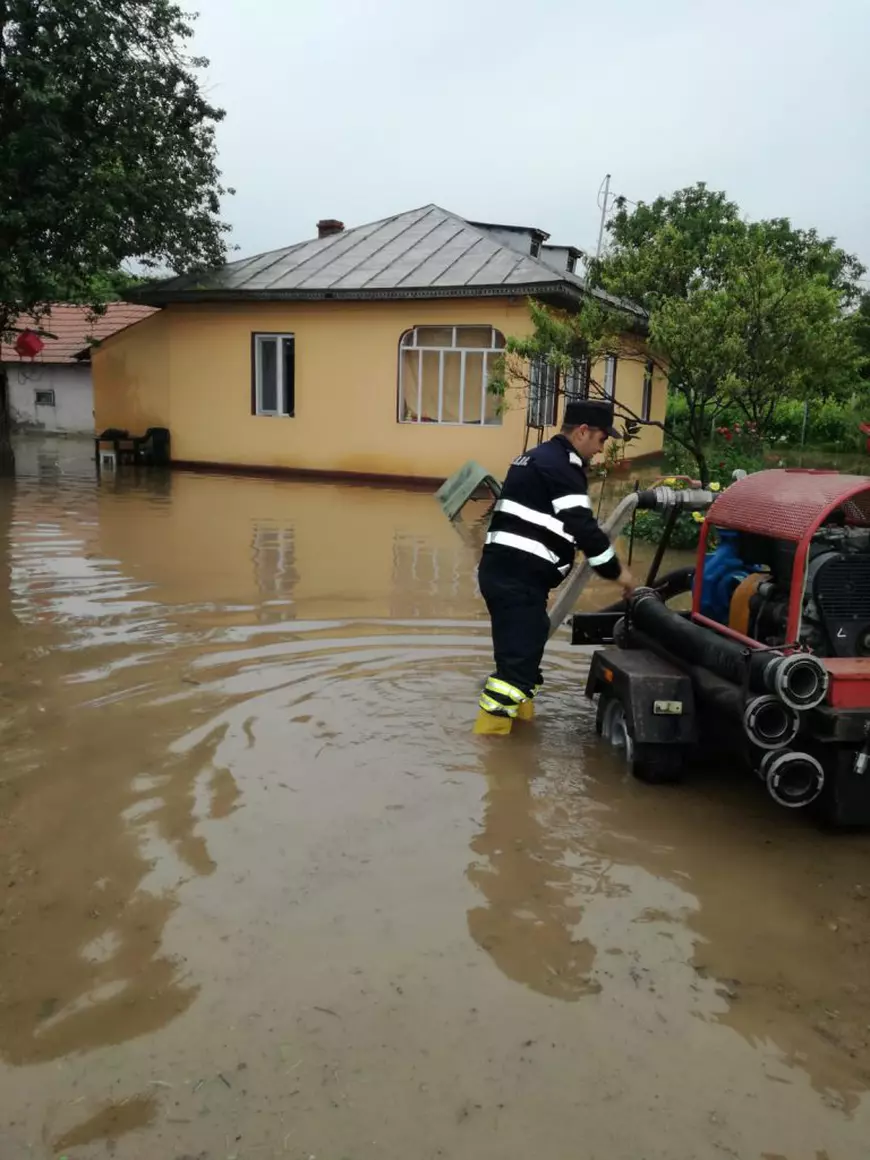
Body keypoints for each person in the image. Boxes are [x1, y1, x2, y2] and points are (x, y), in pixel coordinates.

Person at [473, 399, 636, 735]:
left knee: (521, 662)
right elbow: (583, 529)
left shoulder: (537, 457)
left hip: (509, 577)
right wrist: (618, 573)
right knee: (515, 673)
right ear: (582, 432)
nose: (601, 449)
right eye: (602, 439)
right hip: (517, 582)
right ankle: (493, 756)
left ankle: (519, 736)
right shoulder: (561, 467)